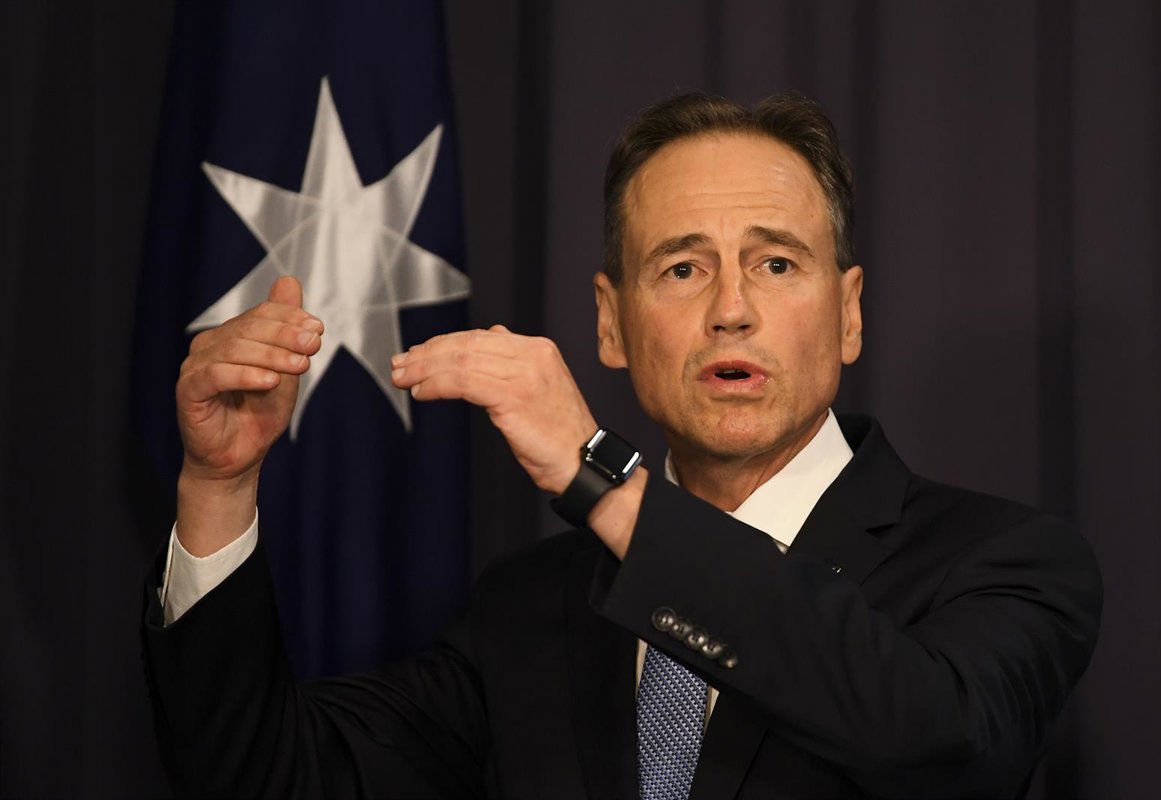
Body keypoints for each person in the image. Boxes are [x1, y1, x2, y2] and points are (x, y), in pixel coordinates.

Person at [143, 93, 1102, 799]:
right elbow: (267, 778)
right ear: (611, 323)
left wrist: (601, 480)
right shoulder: (528, 608)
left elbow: (940, 743)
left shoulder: (1005, 563)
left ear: (848, 313)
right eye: (682, 268)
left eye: (776, 263)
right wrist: (218, 486)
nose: (731, 309)